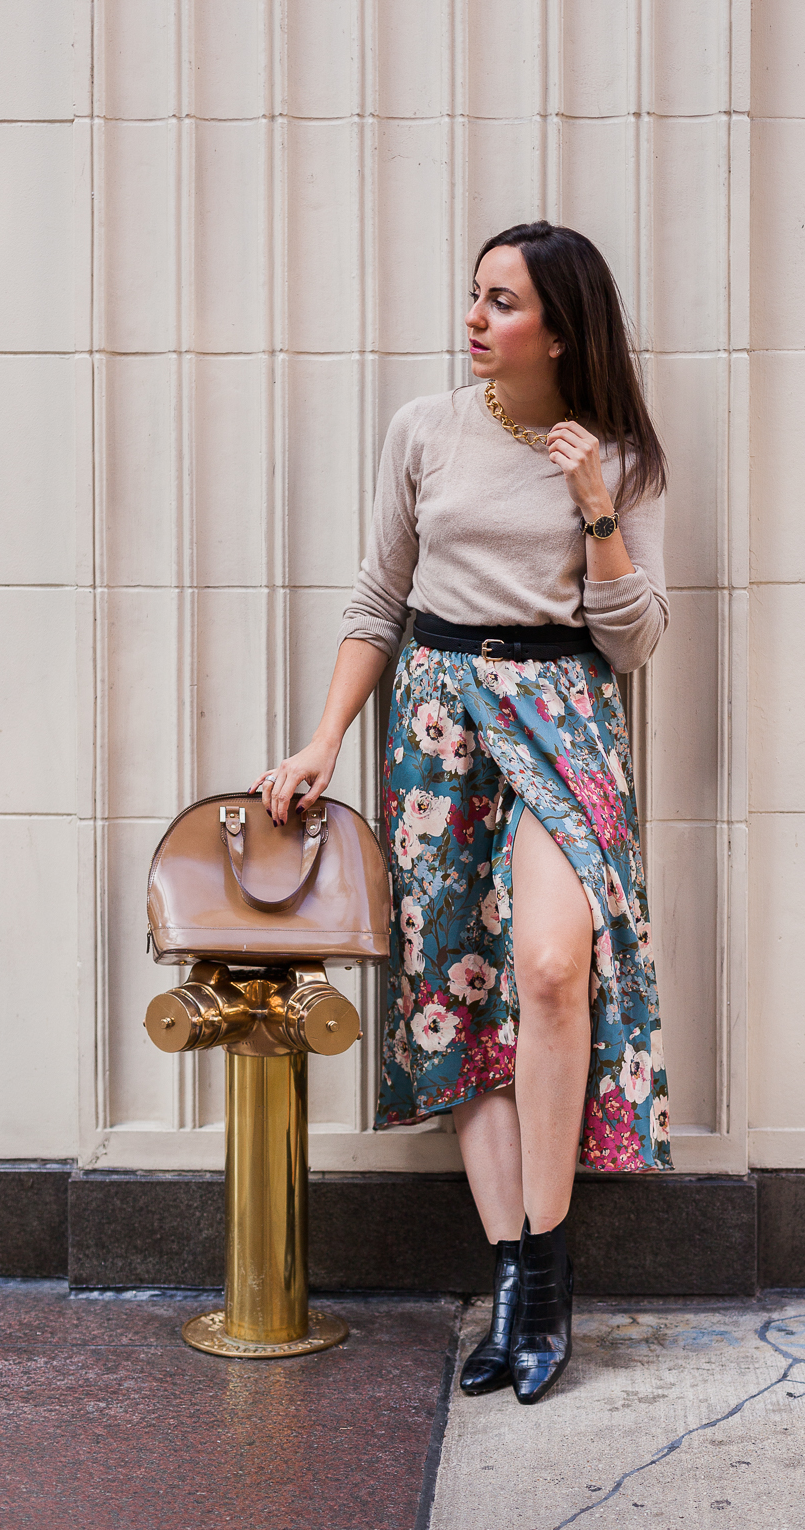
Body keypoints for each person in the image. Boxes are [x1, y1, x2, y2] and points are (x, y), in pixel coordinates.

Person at [253, 220, 671, 1404]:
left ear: (560, 326)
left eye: (502, 303)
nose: (476, 320)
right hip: (436, 718)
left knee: (547, 967)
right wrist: (324, 739)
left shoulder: (623, 455)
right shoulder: (426, 428)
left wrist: (593, 501)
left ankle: (544, 1276)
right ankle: (512, 1279)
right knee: (460, 986)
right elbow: (378, 596)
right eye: (475, 297)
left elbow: (632, 642)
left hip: (561, 712)